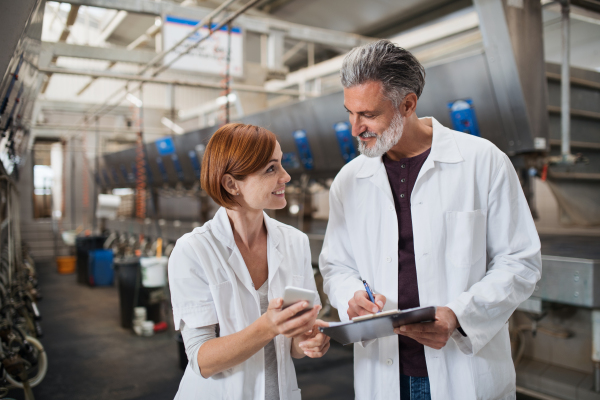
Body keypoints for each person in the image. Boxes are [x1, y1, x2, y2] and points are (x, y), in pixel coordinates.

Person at [319, 39, 542, 400]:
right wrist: (351, 294)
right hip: (384, 371)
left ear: (407, 104)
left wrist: (458, 315)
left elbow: (520, 261)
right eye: (349, 112)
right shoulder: (349, 180)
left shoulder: (481, 161)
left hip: (461, 370)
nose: (355, 128)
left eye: (369, 114)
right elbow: (336, 265)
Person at [169, 123, 330, 400]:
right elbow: (201, 360)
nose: (286, 176)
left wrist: (308, 341)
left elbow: (294, 345)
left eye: (281, 164)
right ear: (232, 184)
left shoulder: (295, 242)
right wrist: (268, 326)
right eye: (271, 168)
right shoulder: (193, 250)